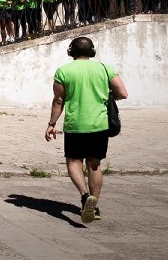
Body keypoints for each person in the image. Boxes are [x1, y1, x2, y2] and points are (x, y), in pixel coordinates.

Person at [46, 36, 128, 224]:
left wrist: (51, 124)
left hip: (75, 125)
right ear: (91, 51)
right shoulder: (104, 69)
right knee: (94, 164)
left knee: (74, 162)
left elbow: (59, 100)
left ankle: (84, 197)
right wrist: (106, 96)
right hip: (99, 124)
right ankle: (95, 206)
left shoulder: (63, 71)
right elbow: (122, 93)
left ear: (71, 51)